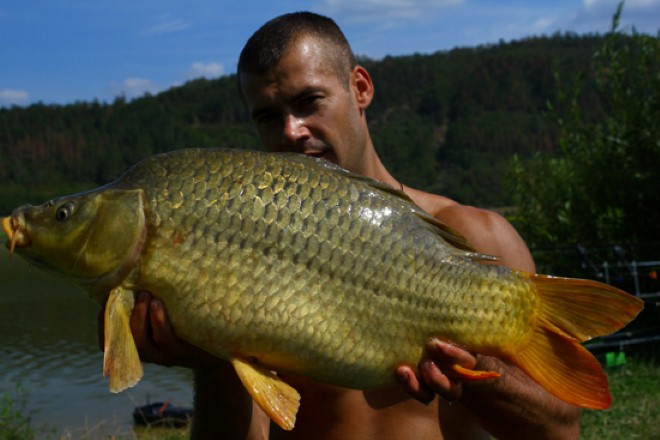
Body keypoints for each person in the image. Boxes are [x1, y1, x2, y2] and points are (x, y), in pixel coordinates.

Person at [108, 12, 582, 440]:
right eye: (269, 116)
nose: (292, 131)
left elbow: (562, 432)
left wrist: (473, 375)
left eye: (308, 101)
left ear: (360, 88)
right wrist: (213, 369)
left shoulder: (478, 238)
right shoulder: (250, 264)